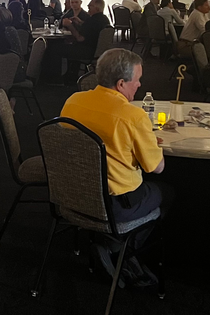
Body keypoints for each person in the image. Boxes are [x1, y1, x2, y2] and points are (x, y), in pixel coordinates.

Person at [60, 48, 172, 269]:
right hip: (115, 205)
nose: (139, 85)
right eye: (137, 80)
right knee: (167, 192)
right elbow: (156, 168)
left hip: (71, 192)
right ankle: (122, 251)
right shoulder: (133, 116)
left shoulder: (73, 101)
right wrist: (150, 143)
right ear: (121, 84)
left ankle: (106, 243)